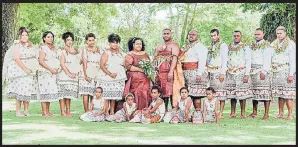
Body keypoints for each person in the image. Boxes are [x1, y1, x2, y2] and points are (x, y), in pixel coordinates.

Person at [4, 27, 39, 117]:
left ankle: (26, 111)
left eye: (26, 35)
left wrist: (32, 68)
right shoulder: (16, 45)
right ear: (19, 36)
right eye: (23, 35)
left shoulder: (30, 45)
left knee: (27, 91)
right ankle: (18, 112)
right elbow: (16, 58)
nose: (24, 37)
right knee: (20, 91)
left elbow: (34, 56)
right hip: (20, 71)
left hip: (30, 70)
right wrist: (25, 69)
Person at [225, 30, 253, 119]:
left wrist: (247, 74)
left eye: (237, 36)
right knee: (232, 93)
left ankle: (243, 113)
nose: (236, 37)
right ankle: (232, 112)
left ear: (241, 37)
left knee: (242, 94)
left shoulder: (245, 47)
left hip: (241, 72)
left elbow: (248, 60)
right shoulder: (229, 47)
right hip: (230, 72)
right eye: (234, 36)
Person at [153, 28, 182, 111]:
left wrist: (171, 72)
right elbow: (155, 58)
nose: (166, 35)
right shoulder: (159, 46)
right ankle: (161, 110)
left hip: (168, 71)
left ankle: (171, 110)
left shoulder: (174, 45)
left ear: (171, 34)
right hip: (159, 72)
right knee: (160, 91)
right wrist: (154, 66)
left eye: (167, 33)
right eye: (164, 33)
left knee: (169, 91)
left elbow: (175, 59)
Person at [97, 33, 126, 116]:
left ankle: (112, 112)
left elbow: (123, 63)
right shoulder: (106, 53)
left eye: (117, 42)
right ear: (109, 43)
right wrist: (110, 74)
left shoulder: (120, 53)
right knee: (106, 95)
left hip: (117, 77)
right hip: (107, 77)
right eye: (113, 42)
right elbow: (102, 65)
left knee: (113, 96)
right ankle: (106, 112)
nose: (115, 44)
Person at [270, 26, 296, 120]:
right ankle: (280, 113)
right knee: (280, 94)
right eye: (277, 33)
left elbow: (293, 60)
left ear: (285, 33)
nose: (279, 35)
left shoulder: (290, 43)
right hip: (277, 71)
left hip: (287, 71)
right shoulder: (274, 43)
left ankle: (290, 114)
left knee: (288, 94)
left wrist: (291, 74)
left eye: (280, 33)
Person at [248, 28, 272, 120]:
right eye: (255, 34)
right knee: (255, 92)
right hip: (253, 71)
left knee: (265, 92)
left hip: (262, 70)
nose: (256, 36)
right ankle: (254, 112)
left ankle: (266, 113)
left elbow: (267, 59)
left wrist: (264, 71)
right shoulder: (252, 45)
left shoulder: (267, 45)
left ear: (263, 34)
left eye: (258, 34)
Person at [124, 37, 151, 110]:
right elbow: (128, 67)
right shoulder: (130, 54)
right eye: (137, 44)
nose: (139, 45)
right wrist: (140, 70)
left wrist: (149, 72)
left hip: (145, 79)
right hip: (134, 80)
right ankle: (134, 111)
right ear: (133, 45)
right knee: (136, 93)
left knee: (145, 93)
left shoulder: (145, 54)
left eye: (140, 44)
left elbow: (149, 65)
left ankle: (145, 110)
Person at [57, 32, 81, 117]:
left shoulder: (75, 51)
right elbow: (62, 64)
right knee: (62, 94)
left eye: (71, 40)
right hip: (64, 74)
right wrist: (69, 74)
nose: (69, 41)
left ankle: (68, 111)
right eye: (68, 40)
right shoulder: (62, 51)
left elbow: (78, 62)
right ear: (64, 41)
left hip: (73, 74)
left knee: (69, 94)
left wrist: (74, 72)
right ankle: (62, 112)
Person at [207, 29, 228, 119]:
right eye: (211, 36)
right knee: (213, 92)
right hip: (211, 71)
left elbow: (224, 59)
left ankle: (221, 112)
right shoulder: (211, 46)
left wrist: (222, 73)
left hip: (219, 71)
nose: (213, 37)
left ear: (218, 35)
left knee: (221, 92)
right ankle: (213, 111)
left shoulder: (223, 45)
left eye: (214, 35)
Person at [38, 31, 60, 117]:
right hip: (44, 72)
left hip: (52, 73)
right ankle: (44, 112)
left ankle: (48, 111)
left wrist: (56, 69)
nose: (50, 38)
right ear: (44, 38)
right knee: (44, 91)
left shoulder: (53, 49)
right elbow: (41, 61)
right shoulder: (43, 48)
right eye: (48, 37)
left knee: (49, 91)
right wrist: (50, 69)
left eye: (51, 37)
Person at [79, 33, 101, 112]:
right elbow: (84, 62)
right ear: (86, 41)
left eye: (93, 40)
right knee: (86, 93)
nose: (91, 42)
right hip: (87, 71)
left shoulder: (98, 49)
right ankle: (86, 111)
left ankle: (92, 111)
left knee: (93, 93)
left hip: (95, 72)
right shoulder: (84, 50)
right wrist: (85, 75)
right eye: (89, 40)